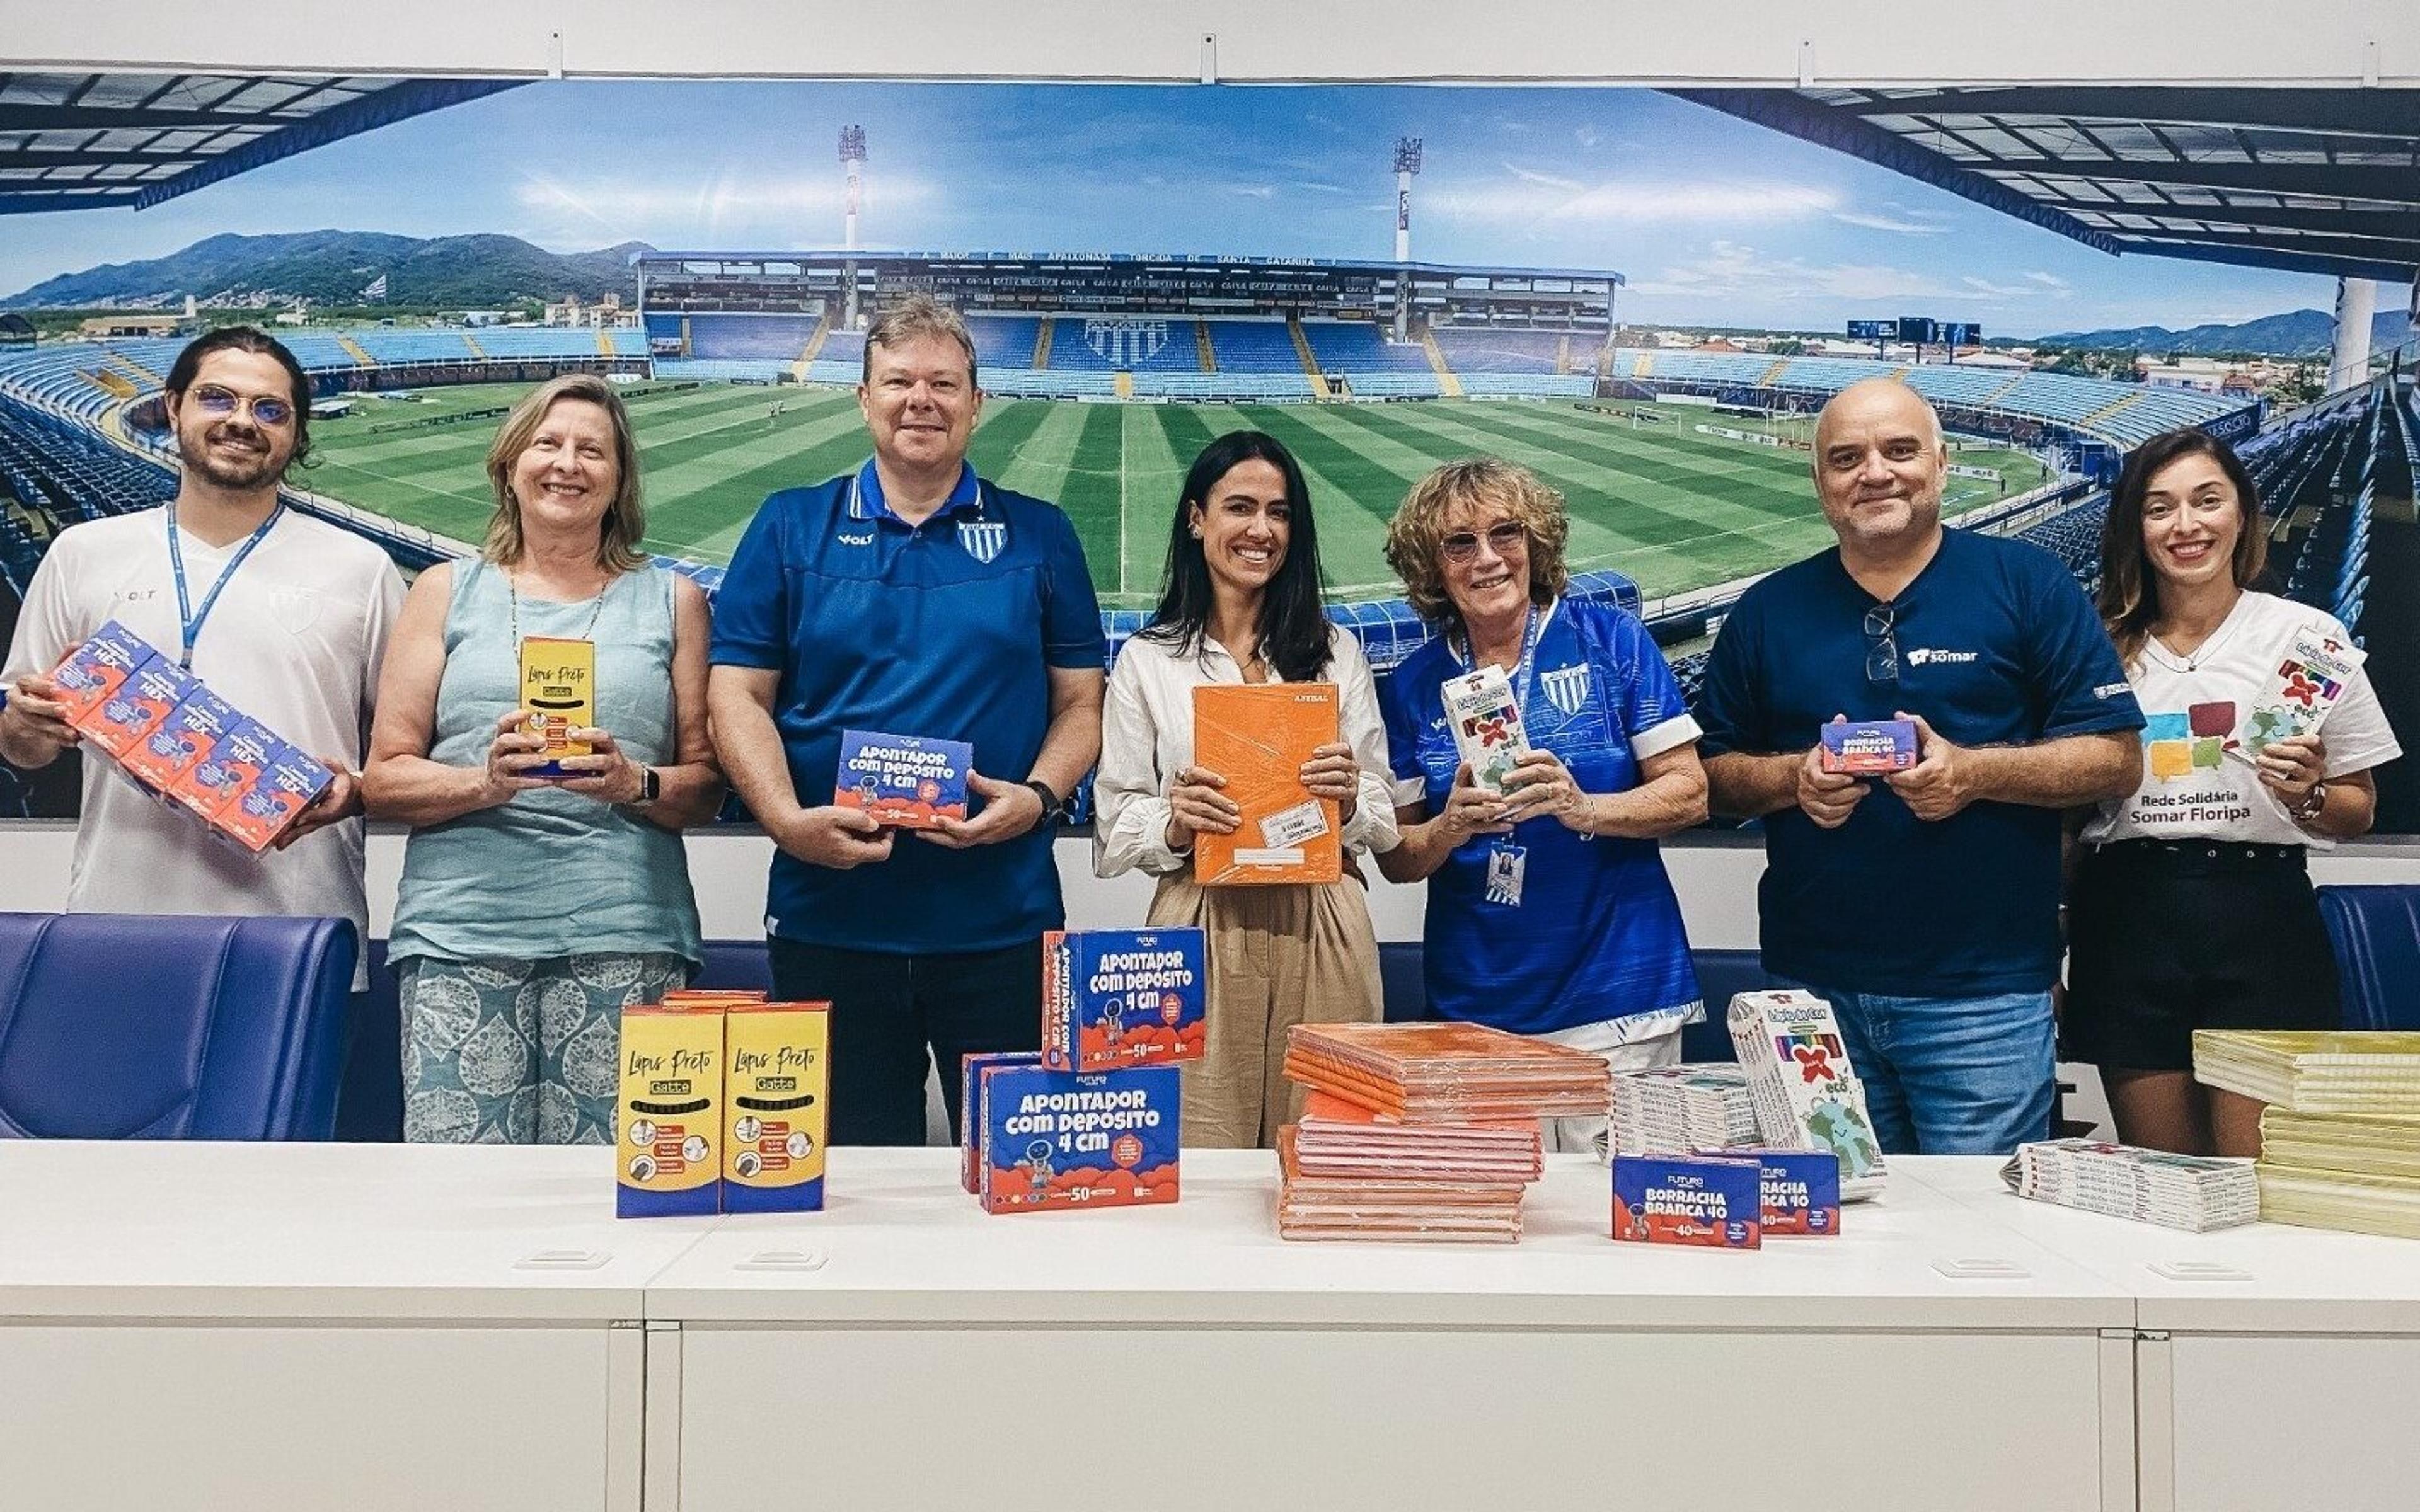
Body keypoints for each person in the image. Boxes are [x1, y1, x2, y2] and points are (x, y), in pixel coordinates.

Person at [1697, 377, 2145, 1155]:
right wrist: (1791, 779)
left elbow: (2116, 758)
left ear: (1941, 463)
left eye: (1899, 450)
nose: (1875, 472)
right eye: (1847, 457)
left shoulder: (2027, 584)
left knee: (1980, 1251)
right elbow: (1711, 775)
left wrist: (1972, 773)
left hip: (1985, 999)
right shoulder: (1768, 609)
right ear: (1819, 481)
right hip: (1813, 995)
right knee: (1836, 1236)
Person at [708, 296, 1105, 1147]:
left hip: (1004, 925)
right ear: (863, 398)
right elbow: (736, 694)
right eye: (899, 381)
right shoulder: (787, 525)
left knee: (1019, 1175)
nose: (921, 400)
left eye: (944, 383)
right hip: (832, 919)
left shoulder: (1042, 535)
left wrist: (1037, 797)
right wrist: (783, 820)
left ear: (976, 403)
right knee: (850, 1187)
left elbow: (1081, 704)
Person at [364, 373, 720, 1145]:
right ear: (509, 464)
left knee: (616, 1186)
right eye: (548, 443)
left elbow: (705, 788)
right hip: (460, 930)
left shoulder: (673, 601)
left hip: (627, 927)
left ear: (619, 479)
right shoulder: (443, 591)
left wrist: (634, 782)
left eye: (593, 450)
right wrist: (483, 782)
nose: (568, 463)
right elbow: (385, 777)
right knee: (461, 1191)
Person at [0, 326, 401, 990]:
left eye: (271, 409)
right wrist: (28, 725)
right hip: (117, 924)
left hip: (299, 934)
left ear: (296, 436)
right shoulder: (82, 553)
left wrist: (355, 790)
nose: (243, 421)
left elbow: (402, 753)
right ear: (172, 406)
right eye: (219, 399)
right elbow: (21, 745)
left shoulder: (362, 569)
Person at [2067, 428, 2399, 1156]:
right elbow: (2065, 820)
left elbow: (2357, 809)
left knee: (2254, 1187)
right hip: (2128, 917)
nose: (2186, 526)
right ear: (2135, 527)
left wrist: (2309, 794)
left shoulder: (2307, 636)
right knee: (2162, 1181)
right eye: (2160, 508)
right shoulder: (2096, 643)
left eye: (2206, 501)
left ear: (2242, 514)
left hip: (2261, 920)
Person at [1375, 458, 1708, 1155]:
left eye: (1506, 533)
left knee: (1617, 1228)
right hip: (1475, 1012)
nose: (1488, 558)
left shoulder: (1611, 641)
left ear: (1538, 544)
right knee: (1495, 1232)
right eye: (1459, 544)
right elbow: (1402, 859)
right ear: (1431, 567)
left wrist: (1585, 808)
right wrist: (1451, 825)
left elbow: (1690, 791)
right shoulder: (1412, 684)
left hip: (1620, 1003)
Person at [1093, 432, 1395, 1148]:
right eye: (1240, 508)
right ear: (1197, 519)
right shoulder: (1149, 661)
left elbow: (1384, 816)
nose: (1261, 530)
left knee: (1328, 1142)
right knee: (1196, 1153)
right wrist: (1174, 821)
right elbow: (1114, 823)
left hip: (1323, 913)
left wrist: (1350, 798)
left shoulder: (1335, 652)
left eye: (1280, 513)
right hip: (1199, 915)